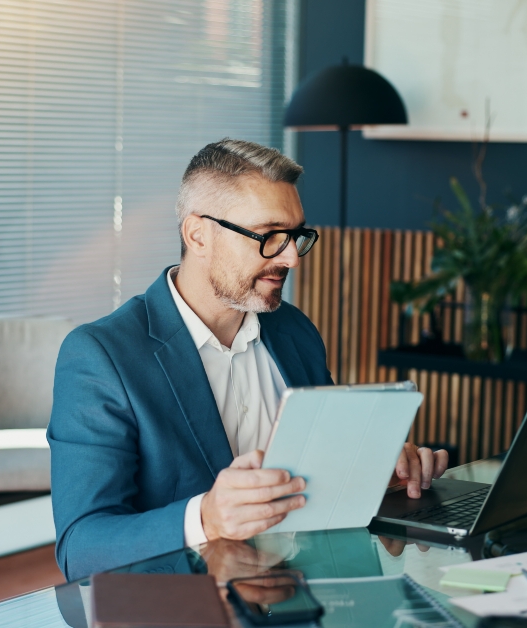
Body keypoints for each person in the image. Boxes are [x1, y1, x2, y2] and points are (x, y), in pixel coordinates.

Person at [47, 139, 447, 581]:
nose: (292, 257)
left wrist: (374, 471)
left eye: (296, 236)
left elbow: (324, 474)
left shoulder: (294, 331)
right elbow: (81, 547)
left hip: (303, 593)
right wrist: (207, 518)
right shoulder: (101, 356)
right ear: (198, 234)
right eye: (270, 236)